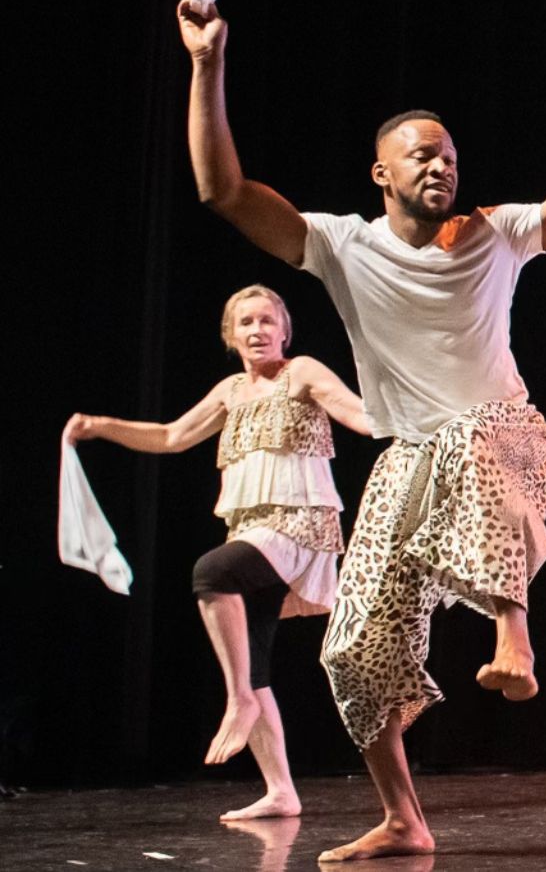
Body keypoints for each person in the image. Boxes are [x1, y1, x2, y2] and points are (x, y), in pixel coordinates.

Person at [176, 0, 546, 861]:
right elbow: (222, 191)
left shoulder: (498, 233)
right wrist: (207, 64)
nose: (441, 167)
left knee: (467, 434)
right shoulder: (341, 245)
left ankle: (513, 634)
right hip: (407, 458)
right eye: (421, 155)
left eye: (450, 156)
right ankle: (403, 817)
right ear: (381, 172)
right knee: (350, 649)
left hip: (508, 438)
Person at [67, 285, 369, 821]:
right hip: (251, 529)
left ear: (285, 330)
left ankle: (238, 699)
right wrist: (98, 428)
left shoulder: (301, 372)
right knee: (254, 661)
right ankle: (280, 789)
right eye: (245, 323)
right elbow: (170, 436)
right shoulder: (230, 390)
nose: (257, 331)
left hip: (298, 524)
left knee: (211, 573)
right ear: (231, 337)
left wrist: (413, 419)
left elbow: (356, 412)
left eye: (266, 321)